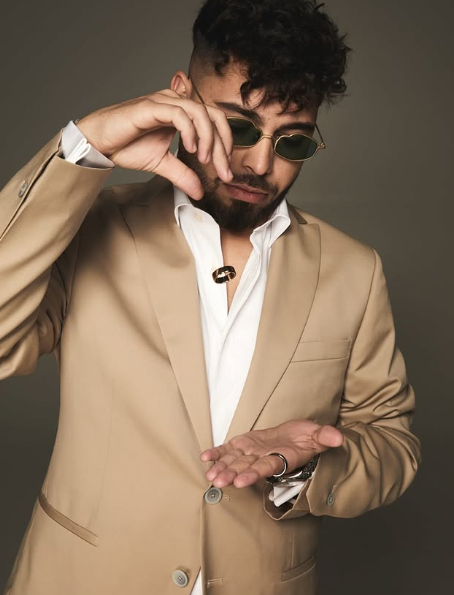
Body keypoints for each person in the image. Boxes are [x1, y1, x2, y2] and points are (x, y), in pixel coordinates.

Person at [0, 1, 421, 594]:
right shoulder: (88, 228)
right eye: (238, 129)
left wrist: (302, 470)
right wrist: (83, 148)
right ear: (180, 97)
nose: (260, 163)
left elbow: (392, 442)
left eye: (293, 142)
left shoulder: (354, 270)